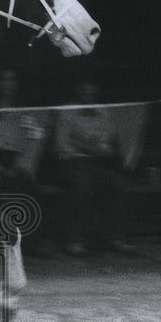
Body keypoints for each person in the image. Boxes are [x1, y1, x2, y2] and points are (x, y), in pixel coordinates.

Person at [47, 78, 134, 256]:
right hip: (69, 165)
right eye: (83, 89)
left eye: (90, 88)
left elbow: (107, 148)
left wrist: (78, 142)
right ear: (77, 90)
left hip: (95, 165)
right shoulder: (66, 112)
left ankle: (115, 238)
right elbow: (62, 148)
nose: (87, 93)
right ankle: (73, 240)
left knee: (118, 184)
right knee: (81, 185)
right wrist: (91, 147)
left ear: (96, 90)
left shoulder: (104, 113)